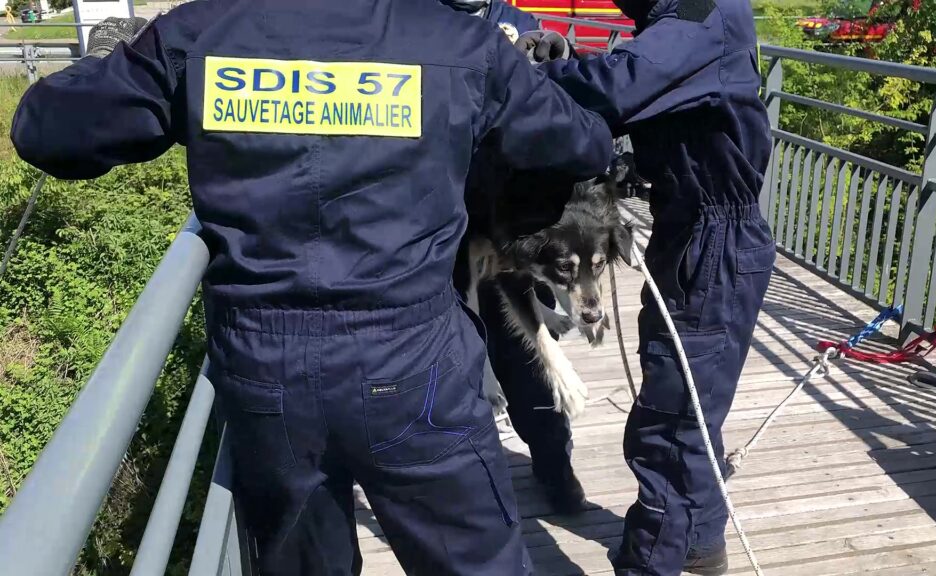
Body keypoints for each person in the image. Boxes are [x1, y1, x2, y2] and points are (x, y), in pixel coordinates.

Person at [10, 1, 613, 574]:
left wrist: (113, 60)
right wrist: (532, 75)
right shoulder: (457, 41)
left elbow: (46, 130)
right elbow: (582, 143)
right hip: (411, 361)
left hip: (264, 371)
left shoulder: (200, 34)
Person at [518, 1, 775, 574]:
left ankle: (648, 562)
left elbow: (619, 82)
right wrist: (571, 58)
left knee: (671, 425)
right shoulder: (688, 19)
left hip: (714, 240)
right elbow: (643, 79)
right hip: (697, 232)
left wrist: (526, 76)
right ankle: (700, 543)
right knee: (690, 406)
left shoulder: (701, 14)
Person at [442, 0, 592, 516]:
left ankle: (554, 467)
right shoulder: (411, 19)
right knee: (451, 373)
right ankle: (469, 491)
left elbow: (554, 81)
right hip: (441, 235)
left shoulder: (511, 19)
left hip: (505, 233)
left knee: (531, 374)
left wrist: (556, 55)